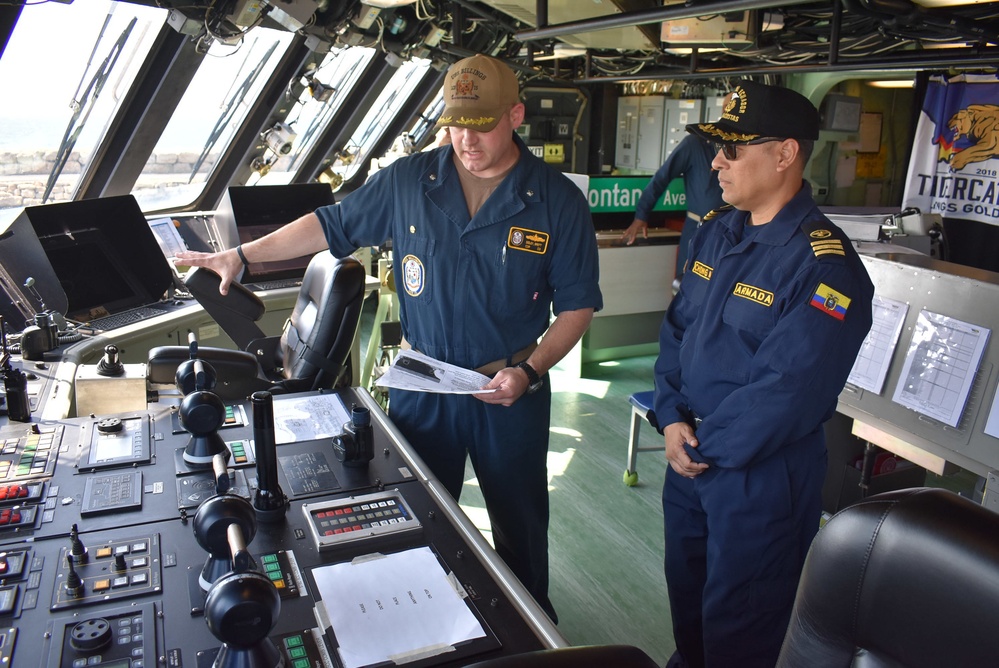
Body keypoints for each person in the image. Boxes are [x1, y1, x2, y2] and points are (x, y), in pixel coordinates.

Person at [175, 53, 602, 622]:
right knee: (417, 512)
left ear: (516, 115)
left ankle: (531, 630)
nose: (465, 140)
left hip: (511, 389)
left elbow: (576, 307)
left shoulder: (558, 201)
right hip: (424, 385)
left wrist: (528, 372)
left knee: (520, 525)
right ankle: (432, 619)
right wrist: (242, 256)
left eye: (481, 124)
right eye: (454, 123)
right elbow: (330, 225)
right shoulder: (409, 181)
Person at [652, 80, 874, 668]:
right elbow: (677, 331)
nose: (716, 163)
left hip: (758, 477)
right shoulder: (718, 229)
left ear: (785, 155)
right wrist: (671, 419)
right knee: (689, 606)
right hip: (689, 456)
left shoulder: (825, 267)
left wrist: (701, 445)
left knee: (743, 627)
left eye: (734, 149)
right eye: (716, 148)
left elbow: (789, 390)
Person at [620, 133, 724, 277]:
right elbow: (661, 178)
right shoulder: (695, 144)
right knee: (686, 284)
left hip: (731, 233)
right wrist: (641, 216)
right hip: (698, 230)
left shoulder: (742, 146)